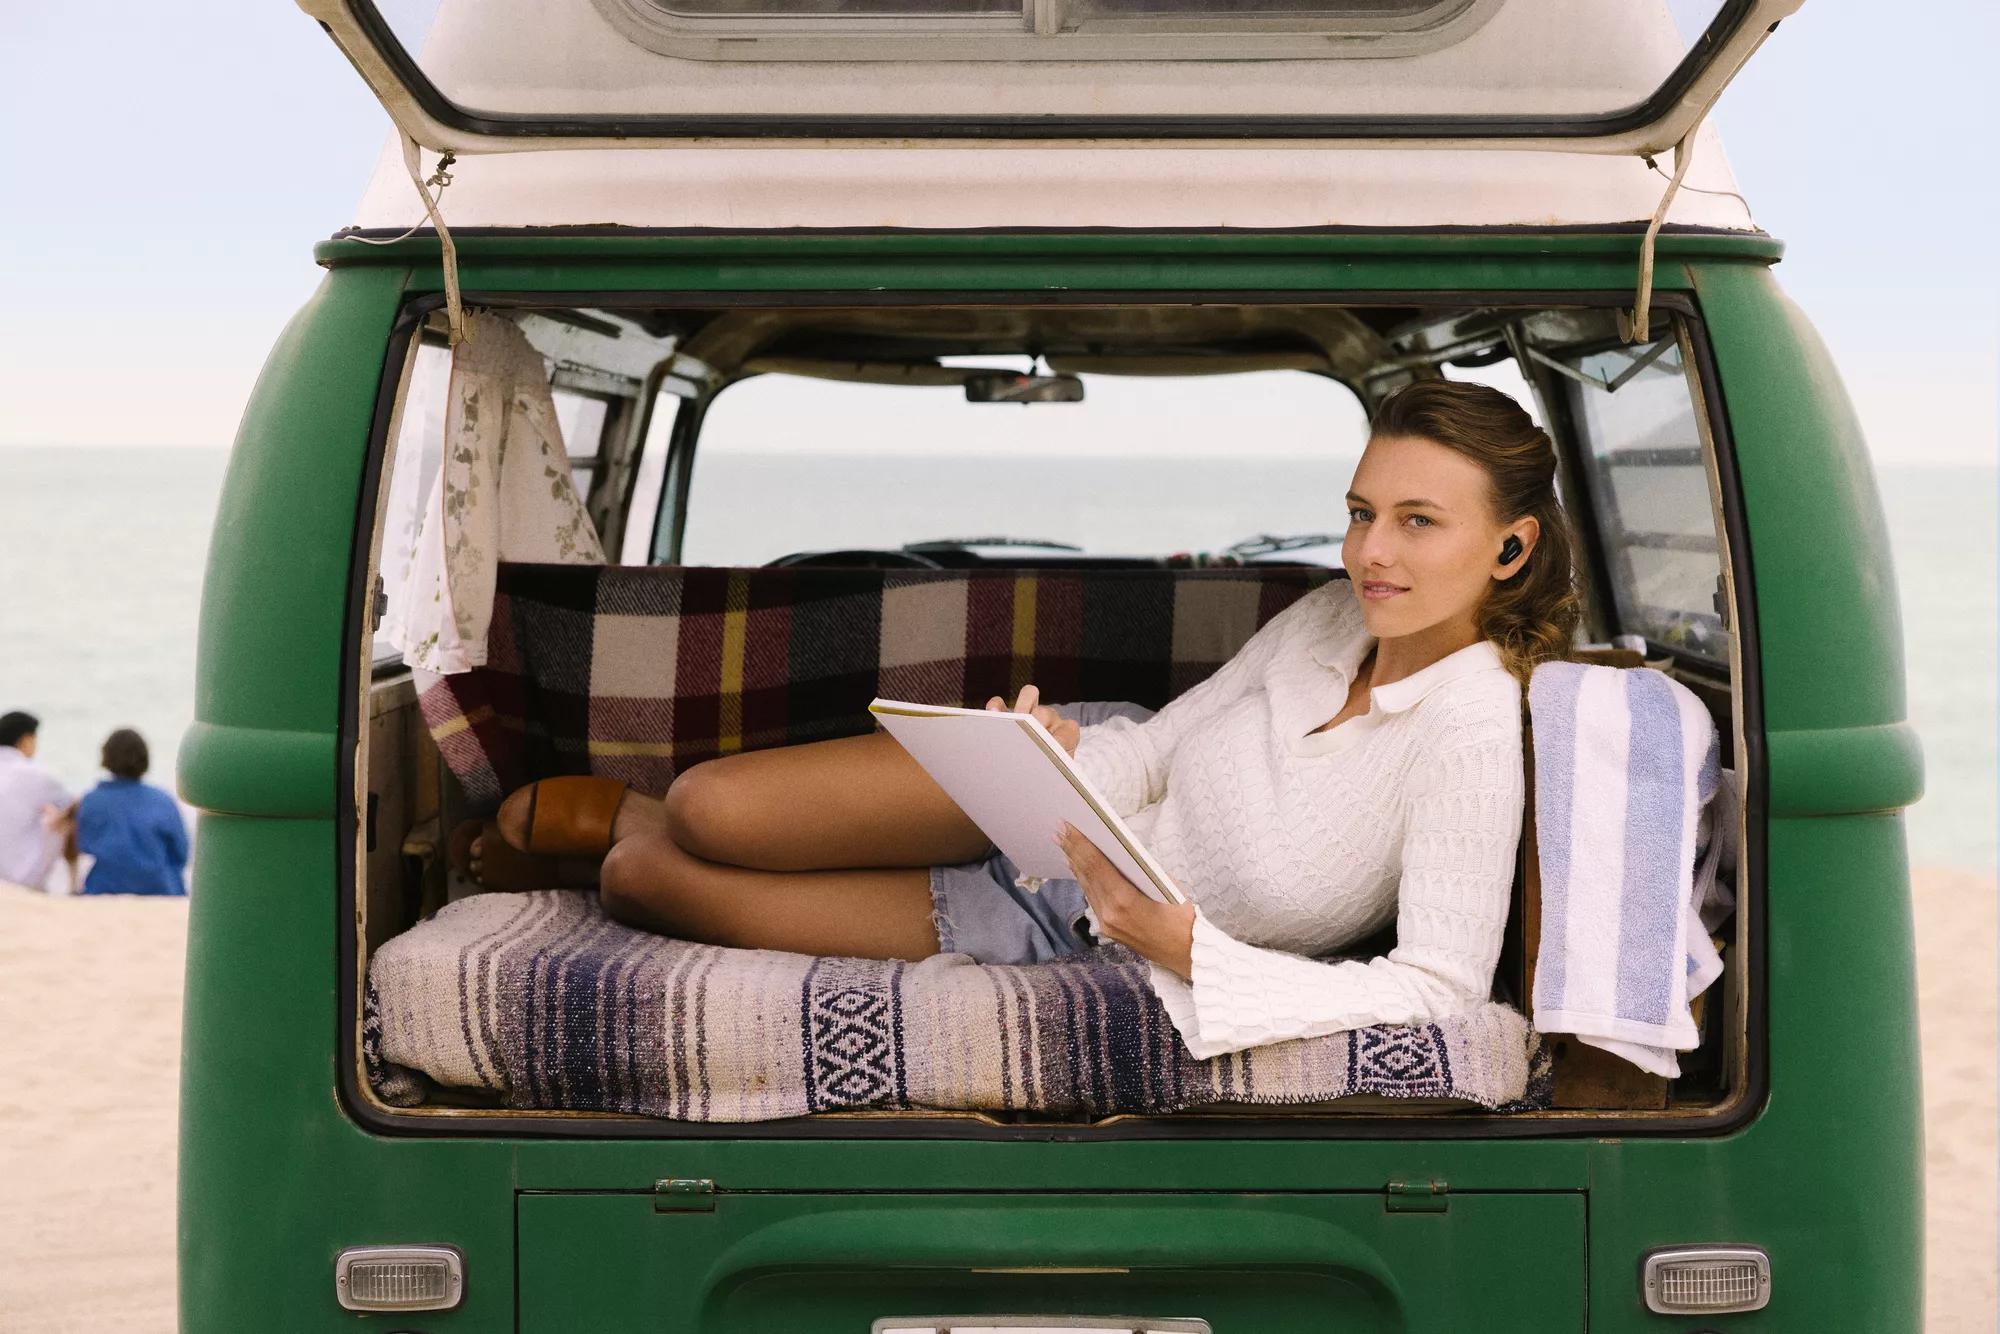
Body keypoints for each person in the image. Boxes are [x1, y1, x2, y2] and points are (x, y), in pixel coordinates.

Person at [460, 379, 1579, 1058]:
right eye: (1358, 513)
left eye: (1417, 521)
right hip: (1066, 794)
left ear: (1510, 544)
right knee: (707, 802)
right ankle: (640, 809)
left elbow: (1434, 987)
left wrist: (1200, 954)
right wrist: (1063, 752)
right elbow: (1162, 741)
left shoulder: (1475, 730)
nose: (1370, 553)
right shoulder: (1325, 616)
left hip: (1064, 928)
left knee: (639, 883)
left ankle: (606, 831)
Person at [73, 729, 189, 897]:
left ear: (106, 757)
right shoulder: (163, 800)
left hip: (104, 888)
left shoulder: (91, 800)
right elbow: (181, 852)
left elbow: (85, 845)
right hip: (161, 889)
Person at [0, 711, 73, 892]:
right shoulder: (36, 775)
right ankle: (73, 884)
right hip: (20, 878)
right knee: (61, 818)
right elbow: (74, 807)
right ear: (25, 740)